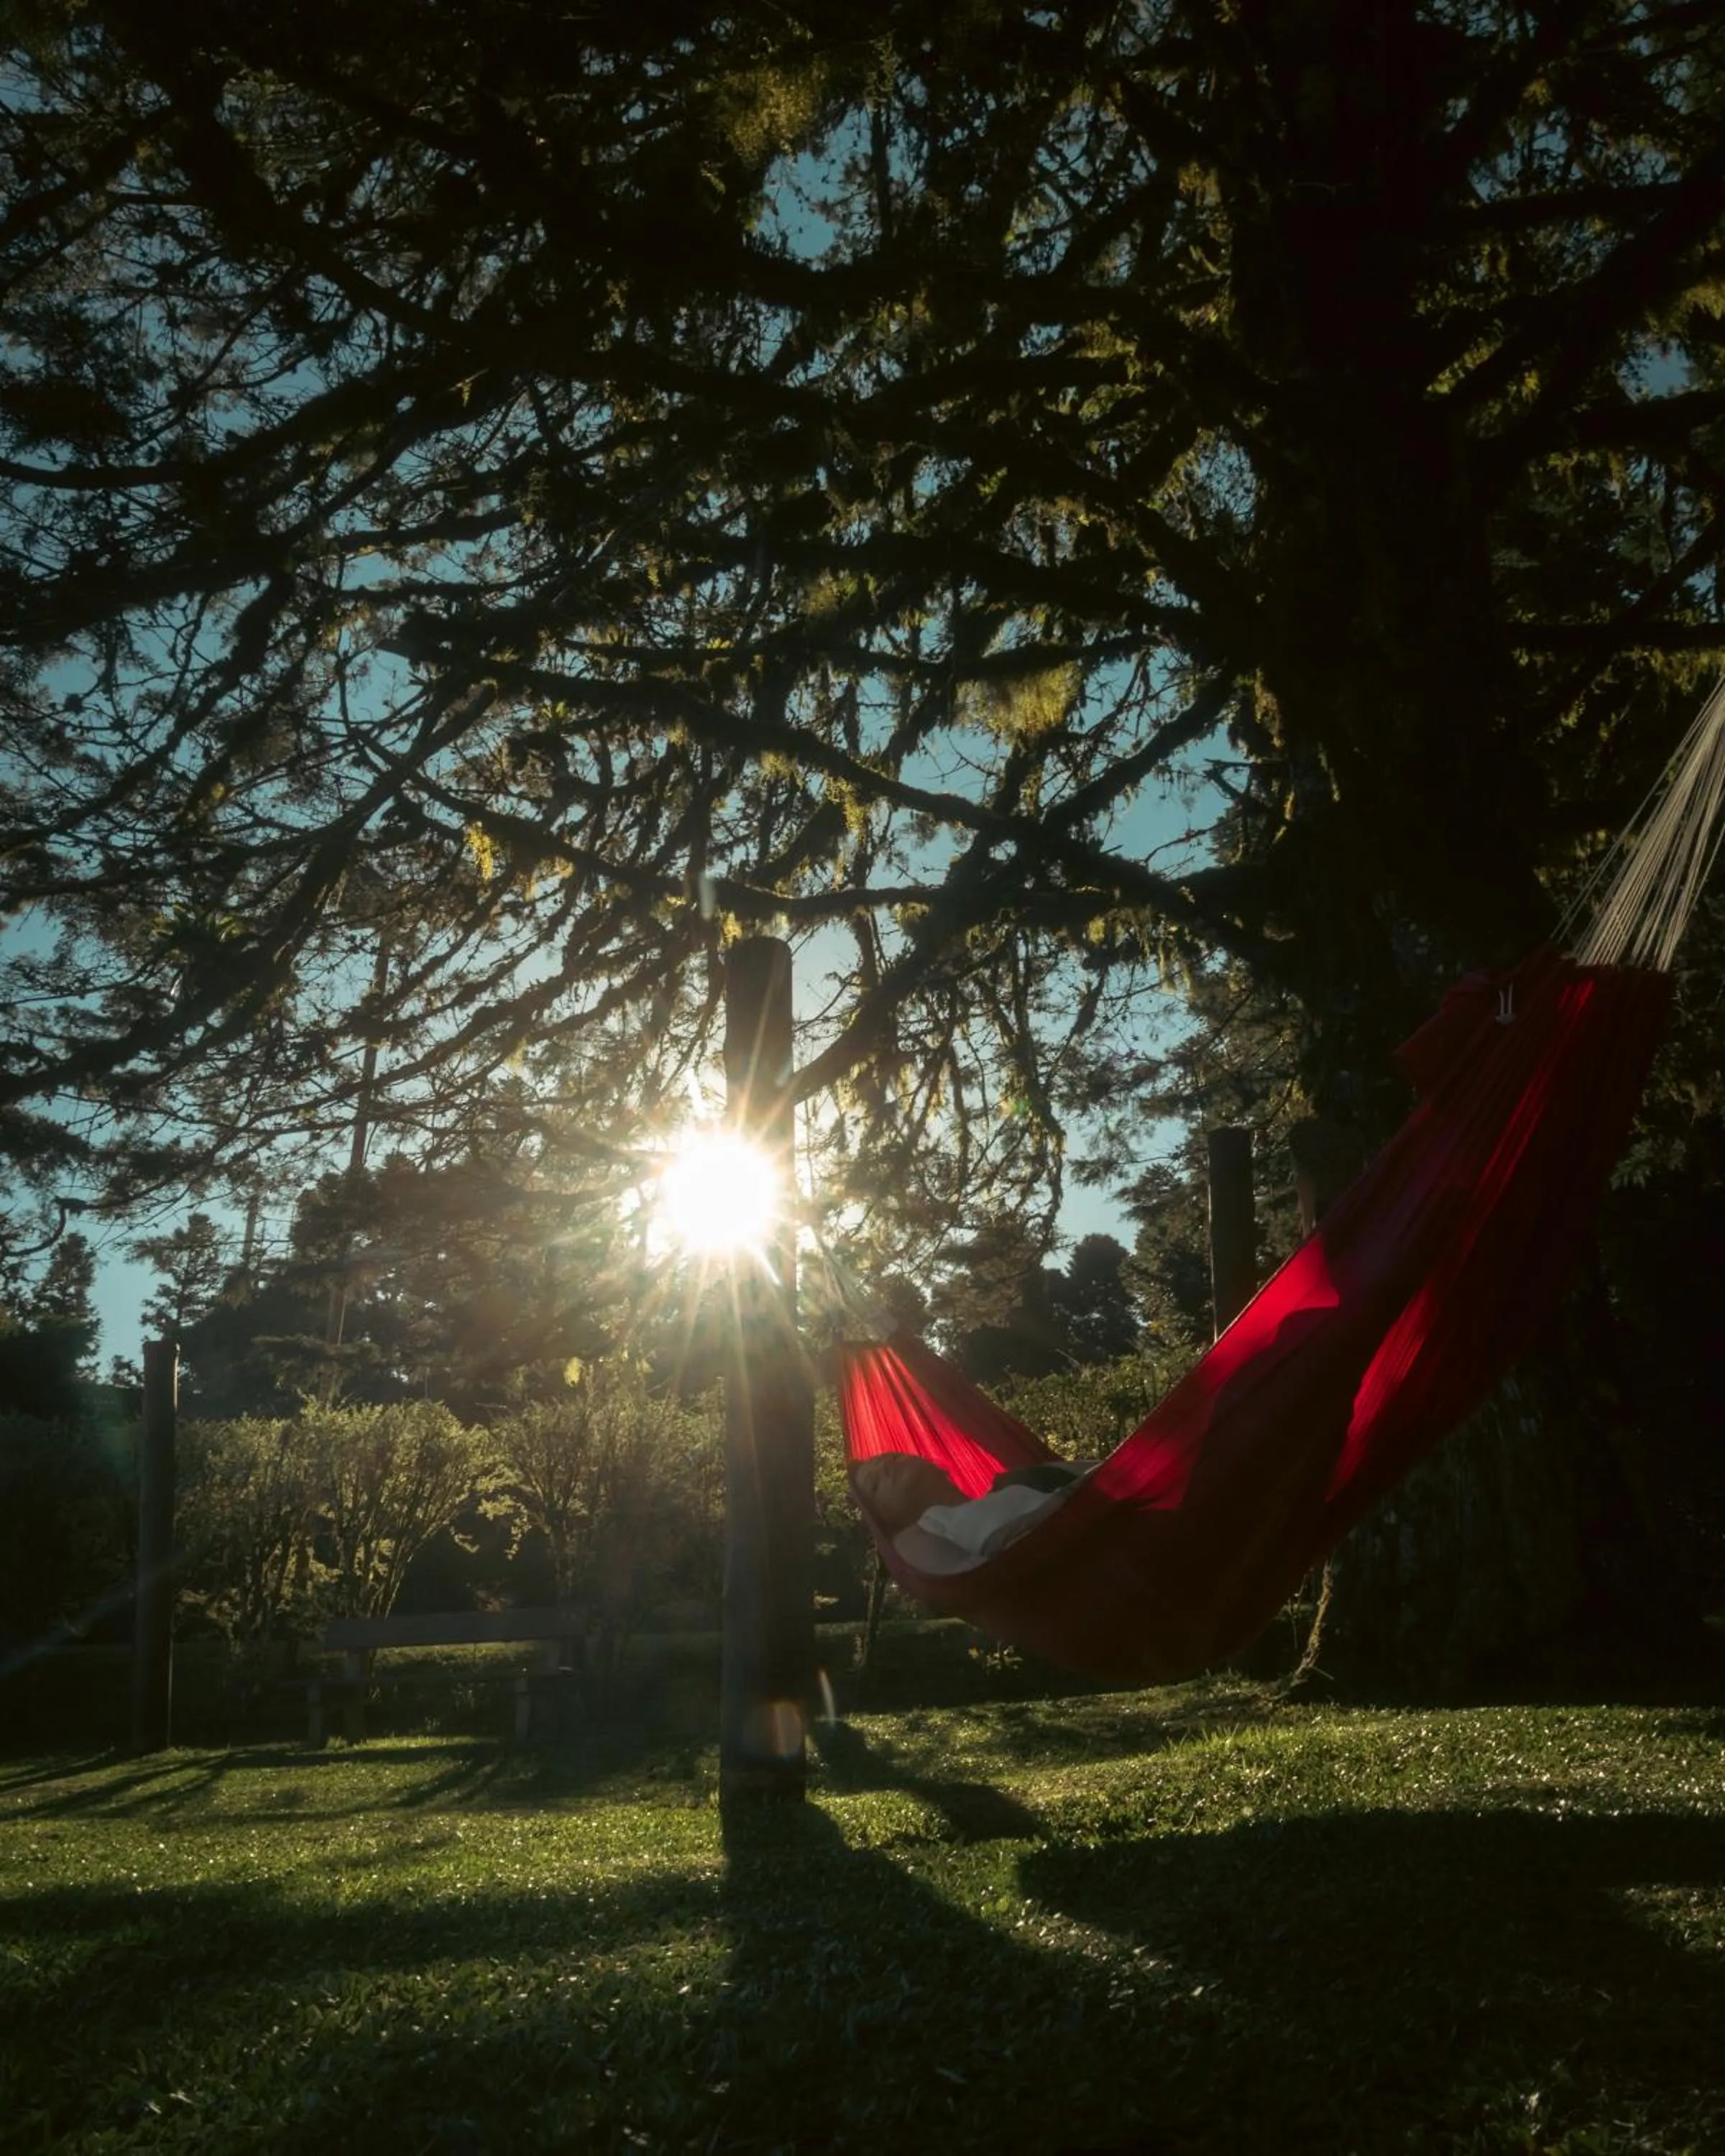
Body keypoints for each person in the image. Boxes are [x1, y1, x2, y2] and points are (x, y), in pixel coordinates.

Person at [850, 1450, 1096, 1560]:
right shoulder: (924, 1535)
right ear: (890, 1518)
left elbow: (1114, 1471)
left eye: (892, 1457)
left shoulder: (1018, 1479)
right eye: (875, 1484)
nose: (885, 1467)